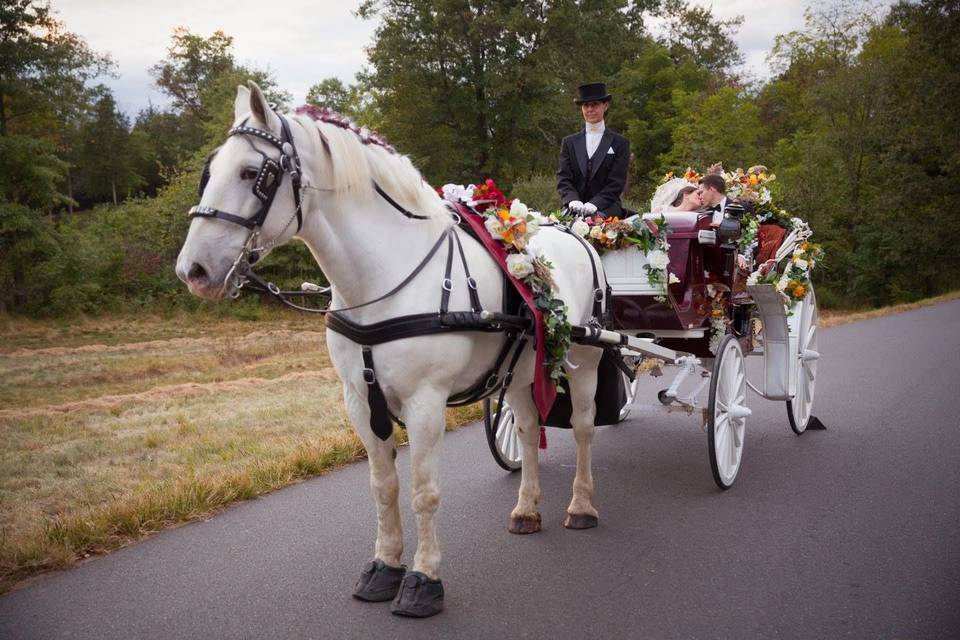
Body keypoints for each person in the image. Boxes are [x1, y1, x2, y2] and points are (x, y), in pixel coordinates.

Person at [557, 82, 630, 218]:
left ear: (605, 106)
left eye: (595, 104)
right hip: (574, 208)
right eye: (586, 105)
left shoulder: (620, 143)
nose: (590, 109)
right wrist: (572, 199)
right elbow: (564, 178)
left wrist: (595, 203)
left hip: (607, 208)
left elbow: (617, 182)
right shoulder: (569, 142)